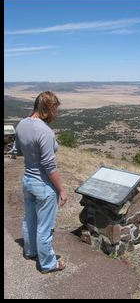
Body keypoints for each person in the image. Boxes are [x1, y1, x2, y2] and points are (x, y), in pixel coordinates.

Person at [12, 91, 67, 273]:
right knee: (45, 227)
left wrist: (31, 155)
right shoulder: (44, 131)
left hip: (28, 180)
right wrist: (61, 190)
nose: (56, 113)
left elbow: (17, 151)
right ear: (48, 108)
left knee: (29, 220)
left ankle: (30, 251)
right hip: (43, 185)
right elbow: (50, 166)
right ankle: (48, 264)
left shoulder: (21, 124)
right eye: (55, 109)